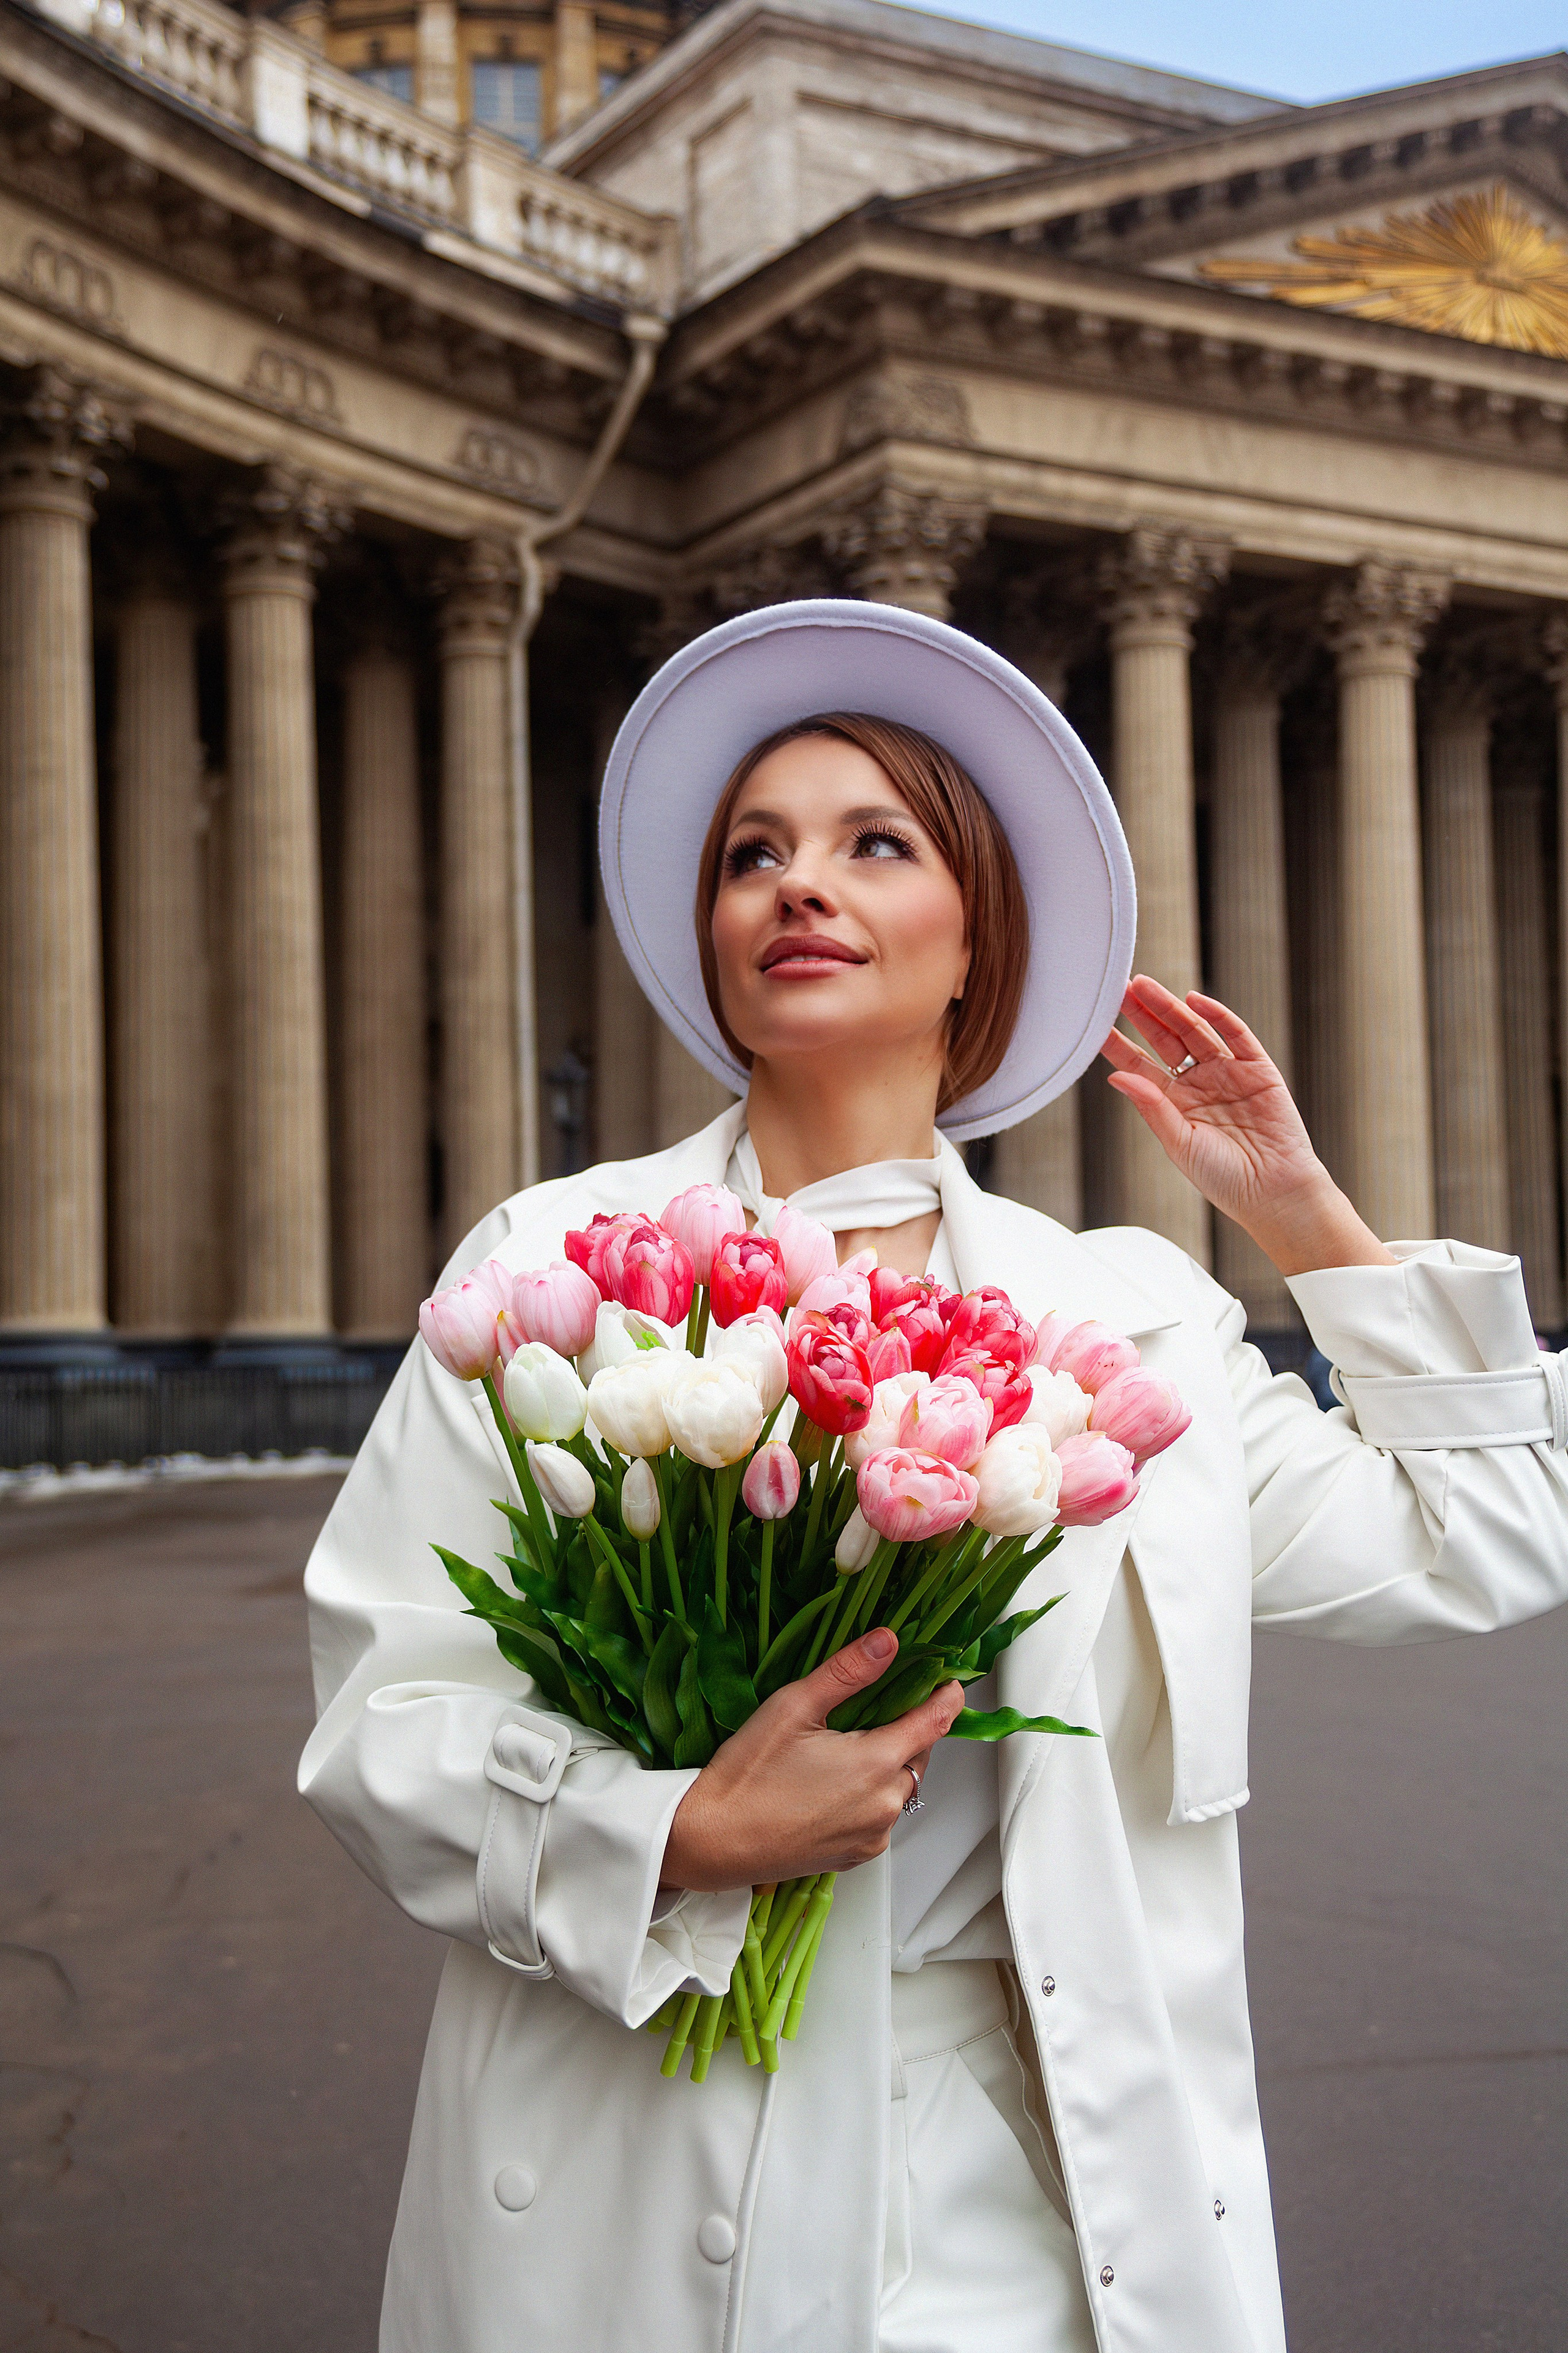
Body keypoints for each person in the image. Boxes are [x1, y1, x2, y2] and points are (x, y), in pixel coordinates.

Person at [300, 600, 1568, 2353]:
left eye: (873, 845)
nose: (797, 887)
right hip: (649, 2138)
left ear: (980, 941)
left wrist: (1306, 1223)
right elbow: (385, 1715)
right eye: (753, 855)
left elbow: (1490, 1531)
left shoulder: (1125, 1327)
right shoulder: (561, 1267)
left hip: (1028, 2183)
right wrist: (672, 1835)